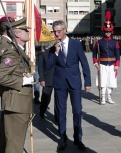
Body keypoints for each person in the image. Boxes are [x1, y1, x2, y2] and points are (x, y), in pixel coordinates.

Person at [46, 20, 91, 151]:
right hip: (60, 83)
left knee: (77, 110)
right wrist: (56, 52)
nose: (56, 34)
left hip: (74, 82)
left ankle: (78, 138)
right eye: (54, 31)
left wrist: (87, 82)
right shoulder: (53, 46)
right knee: (61, 111)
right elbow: (48, 66)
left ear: (65, 30)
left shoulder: (76, 44)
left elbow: (84, 63)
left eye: (58, 31)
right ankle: (62, 138)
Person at [0, 17, 34, 153]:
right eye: (25, 30)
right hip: (15, 105)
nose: (28, 33)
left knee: (15, 144)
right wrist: (23, 81)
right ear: (17, 33)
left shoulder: (19, 50)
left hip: (20, 104)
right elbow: (0, 77)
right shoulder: (12, 52)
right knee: (14, 147)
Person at [92, 11, 120, 105]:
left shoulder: (115, 42)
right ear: (104, 31)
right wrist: (96, 63)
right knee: (103, 81)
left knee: (111, 81)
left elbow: (117, 54)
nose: (108, 33)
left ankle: (109, 97)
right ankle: (103, 97)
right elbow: (94, 53)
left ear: (111, 31)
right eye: (106, 32)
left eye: (109, 32)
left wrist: (117, 65)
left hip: (112, 65)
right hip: (102, 65)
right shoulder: (99, 42)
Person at [38, 45, 56, 120]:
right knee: (46, 98)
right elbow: (40, 67)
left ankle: (58, 117)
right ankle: (42, 111)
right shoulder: (43, 52)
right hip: (47, 78)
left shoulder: (60, 50)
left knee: (59, 100)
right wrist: (42, 79)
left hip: (59, 78)